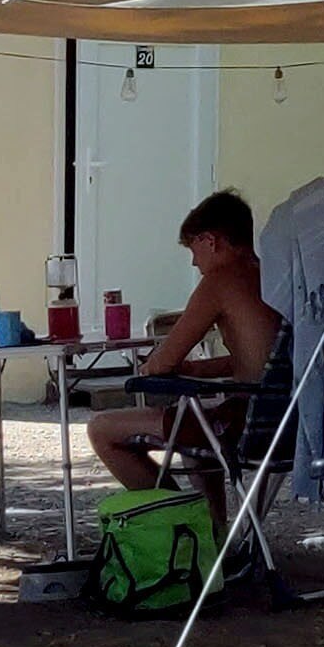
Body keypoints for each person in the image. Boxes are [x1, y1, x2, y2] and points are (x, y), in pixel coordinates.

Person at [85, 190, 283, 502]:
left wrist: (151, 367)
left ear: (210, 240)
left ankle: (182, 521)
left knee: (101, 429)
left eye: (194, 249)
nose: (194, 262)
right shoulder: (275, 275)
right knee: (195, 425)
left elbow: (164, 363)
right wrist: (200, 369)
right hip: (287, 422)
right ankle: (212, 532)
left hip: (246, 424)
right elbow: (262, 358)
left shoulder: (220, 280)